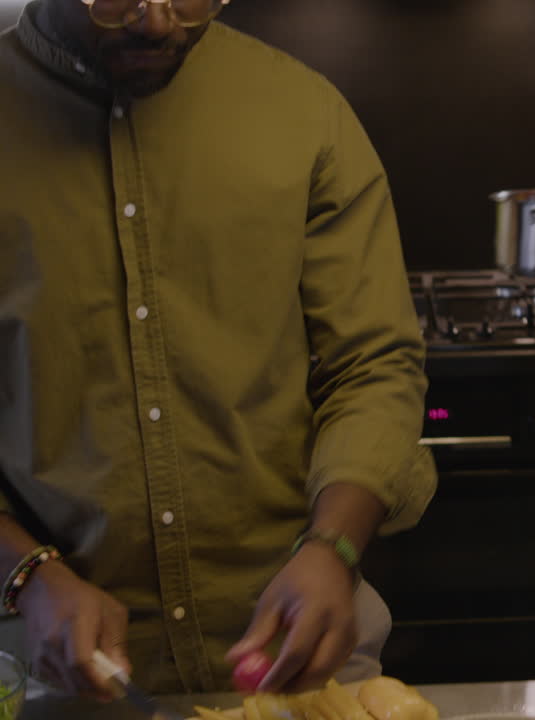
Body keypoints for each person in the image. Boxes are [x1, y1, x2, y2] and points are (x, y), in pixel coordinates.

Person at [0, 0, 435, 698]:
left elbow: (374, 367)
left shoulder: (304, 111)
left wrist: (334, 546)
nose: (158, 22)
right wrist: (27, 576)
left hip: (300, 659)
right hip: (53, 671)